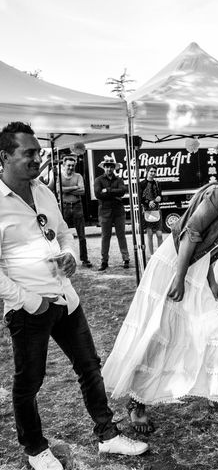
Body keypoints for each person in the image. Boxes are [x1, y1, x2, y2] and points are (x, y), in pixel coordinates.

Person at [0, 122, 148, 470]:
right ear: (4, 156)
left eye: (38, 152)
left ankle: (108, 435)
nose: (38, 158)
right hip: (28, 308)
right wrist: (30, 301)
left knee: (89, 366)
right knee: (29, 382)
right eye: (29, 153)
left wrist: (68, 254)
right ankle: (36, 450)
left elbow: (62, 232)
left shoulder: (44, 192)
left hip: (66, 299)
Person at [102, 160, 218, 433]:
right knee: (160, 331)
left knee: (214, 327)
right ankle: (136, 403)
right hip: (175, 265)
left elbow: (208, 251)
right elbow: (190, 232)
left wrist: (212, 285)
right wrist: (179, 278)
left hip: (193, 269)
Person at [50, 155, 93, 268]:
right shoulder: (59, 176)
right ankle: (61, 259)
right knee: (60, 234)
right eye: (68, 165)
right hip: (64, 207)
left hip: (77, 206)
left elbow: (82, 191)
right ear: (64, 165)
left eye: (73, 165)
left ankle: (84, 259)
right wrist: (74, 187)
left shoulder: (78, 176)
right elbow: (59, 190)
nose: (70, 167)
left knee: (82, 235)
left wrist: (66, 190)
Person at [94, 155, 130, 271]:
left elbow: (123, 191)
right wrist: (114, 193)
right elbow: (98, 194)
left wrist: (108, 191)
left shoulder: (119, 180)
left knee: (121, 235)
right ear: (104, 168)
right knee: (105, 237)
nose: (109, 169)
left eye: (111, 167)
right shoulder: (98, 180)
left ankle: (126, 259)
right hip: (105, 212)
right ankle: (104, 261)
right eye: (107, 167)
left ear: (114, 168)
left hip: (118, 211)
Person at [139, 165, 163, 255]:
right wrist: (148, 202)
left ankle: (160, 254)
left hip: (157, 210)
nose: (153, 173)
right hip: (147, 210)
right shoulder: (141, 184)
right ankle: (152, 255)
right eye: (151, 171)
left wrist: (159, 198)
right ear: (147, 171)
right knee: (149, 234)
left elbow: (160, 195)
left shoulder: (157, 183)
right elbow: (140, 198)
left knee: (159, 234)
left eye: (154, 172)